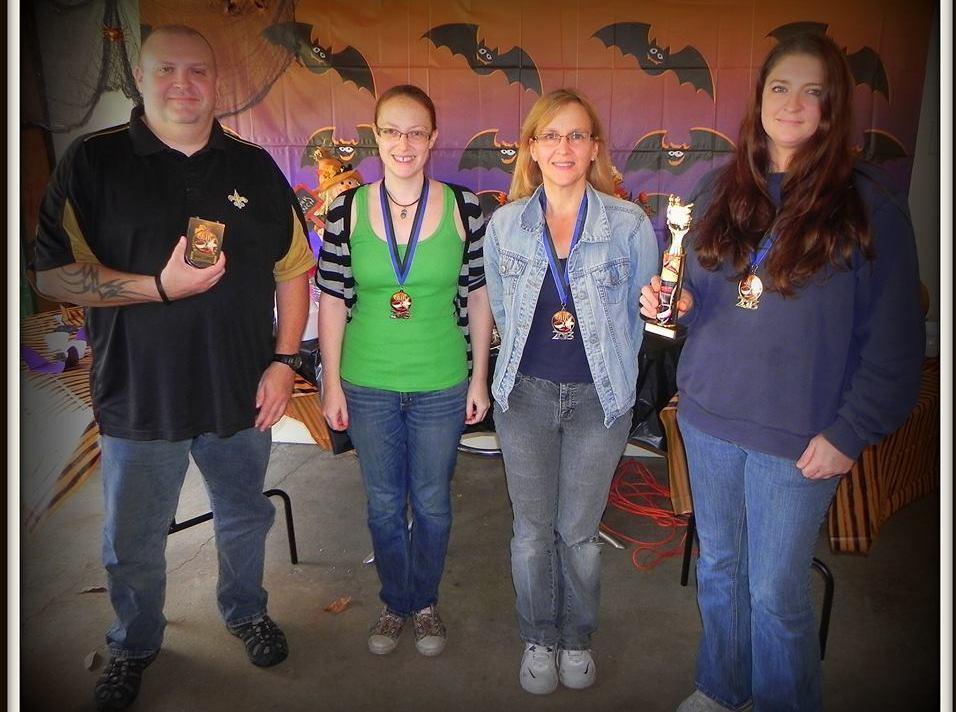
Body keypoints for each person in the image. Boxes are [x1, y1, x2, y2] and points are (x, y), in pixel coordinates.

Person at [640, 33, 925, 712]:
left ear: (833, 107)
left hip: (798, 440)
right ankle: (722, 686)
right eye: (779, 87)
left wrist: (849, 434)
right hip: (709, 418)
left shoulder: (870, 207)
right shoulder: (719, 188)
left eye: (811, 91)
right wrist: (677, 304)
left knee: (774, 592)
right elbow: (700, 293)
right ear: (760, 98)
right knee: (719, 568)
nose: (792, 103)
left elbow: (894, 348)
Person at [33, 25, 314, 711]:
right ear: (140, 76)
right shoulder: (93, 162)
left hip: (239, 391)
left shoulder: (254, 167)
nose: (183, 85)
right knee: (132, 538)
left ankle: (246, 610)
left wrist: (285, 362)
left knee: (243, 516)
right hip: (139, 394)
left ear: (216, 81)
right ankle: (133, 644)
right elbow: (52, 275)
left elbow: (293, 270)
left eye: (197, 71)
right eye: (166, 70)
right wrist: (157, 287)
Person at [484, 88, 658, 694]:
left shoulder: (629, 225)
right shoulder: (505, 226)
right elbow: (501, 310)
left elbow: (644, 317)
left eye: (577, 135)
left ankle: (577, 637)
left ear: (594, 148)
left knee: (579, 533)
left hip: (598, 402)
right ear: (532, 148)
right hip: (524, 398)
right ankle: (538, 635)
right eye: (551, 135)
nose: (564, 147)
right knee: (532, 532)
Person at [316, 84, 492, 657]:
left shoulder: (466, 208)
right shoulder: (345, 209)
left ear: (433, 137)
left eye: (417, 131)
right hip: (367, 383)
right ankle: (396, 601)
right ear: (375, 136)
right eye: (392, 131)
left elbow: (479, 295)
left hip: (442, 381)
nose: (404, 143)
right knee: (384, 503)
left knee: (433, 501)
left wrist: (479, 378)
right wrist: (331, 383)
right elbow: (332, 299)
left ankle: (426, 602)